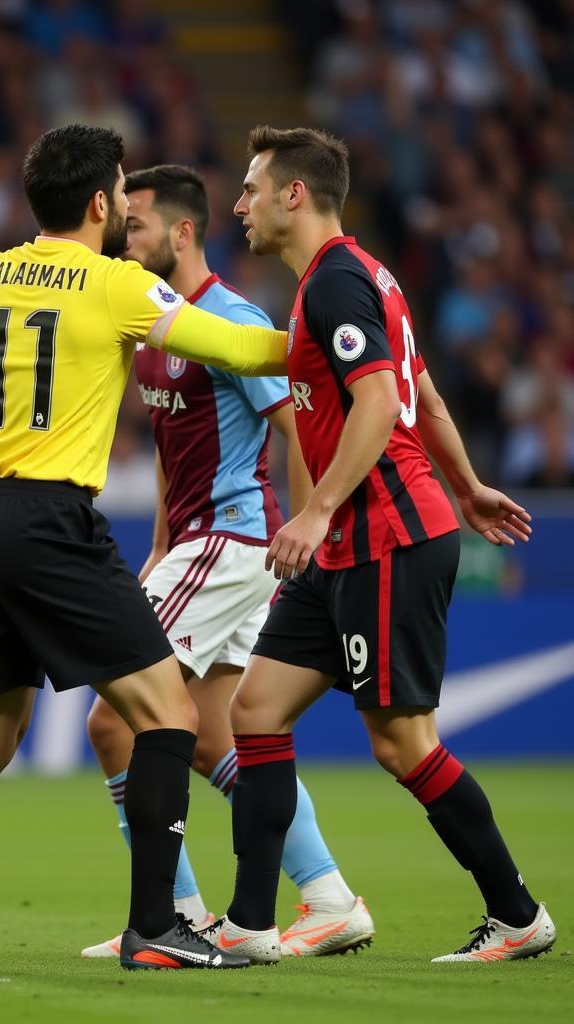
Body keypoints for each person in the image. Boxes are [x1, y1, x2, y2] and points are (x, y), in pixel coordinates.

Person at [0, 124, 289, 972]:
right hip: (48, 521)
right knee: (165, 713)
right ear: (102, 201)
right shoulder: (115, 286)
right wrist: (337, 341)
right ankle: (156, 927)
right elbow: (238, 345)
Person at [210, 125, 555, 964]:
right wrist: (468, 485)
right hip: (351, 544)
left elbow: (376, 404)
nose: (240, 203)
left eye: (253, 187)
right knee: (253, 712)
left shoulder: (333, 286)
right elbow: (423, 396)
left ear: (296, 193)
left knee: (403, 744)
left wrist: (319, 508)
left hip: (385, 535)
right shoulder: (363, 278)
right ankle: (250, 924)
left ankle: (518, 917)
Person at [81, 164, 373, 960]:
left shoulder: (232, 320)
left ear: (181, 232)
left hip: (236, 543)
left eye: (135, 224)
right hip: (198, 548)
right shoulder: (155, 325)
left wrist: (311, 533)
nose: (122, 237)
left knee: (113, 719)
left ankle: (171, 912)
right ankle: (329, 896)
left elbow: (300, 427)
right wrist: (156, 548)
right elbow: (176, 455)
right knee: (213, 741)